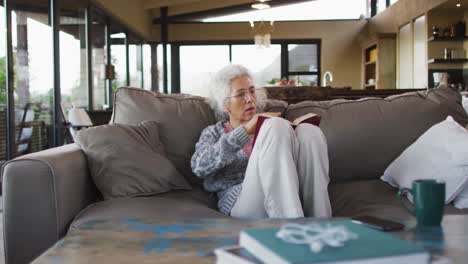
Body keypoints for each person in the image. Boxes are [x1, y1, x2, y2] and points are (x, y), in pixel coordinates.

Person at [191, 64, 332, 218]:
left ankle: (322, 221)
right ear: (226, 104)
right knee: (274, 126)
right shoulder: (214, 132)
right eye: (240, 94)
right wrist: (243, 132)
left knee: (309, 132)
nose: (250, 99)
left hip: (286, 196)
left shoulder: (273, 129)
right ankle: (289, 225)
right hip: (242, 201)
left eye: (252, 91)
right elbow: (199, 167)